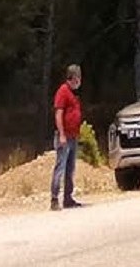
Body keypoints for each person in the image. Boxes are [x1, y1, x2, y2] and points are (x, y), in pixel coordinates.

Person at [51, 63, 84, 211]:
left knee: (70, 169)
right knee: (60, 167)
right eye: (78, 78)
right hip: (64, 137)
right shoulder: (63, 91)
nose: (79, 81)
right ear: (73, 78)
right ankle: (54, 199)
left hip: (73, 136)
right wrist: (62, 135)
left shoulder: (72, 93)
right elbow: (58, 114)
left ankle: (68, 198)